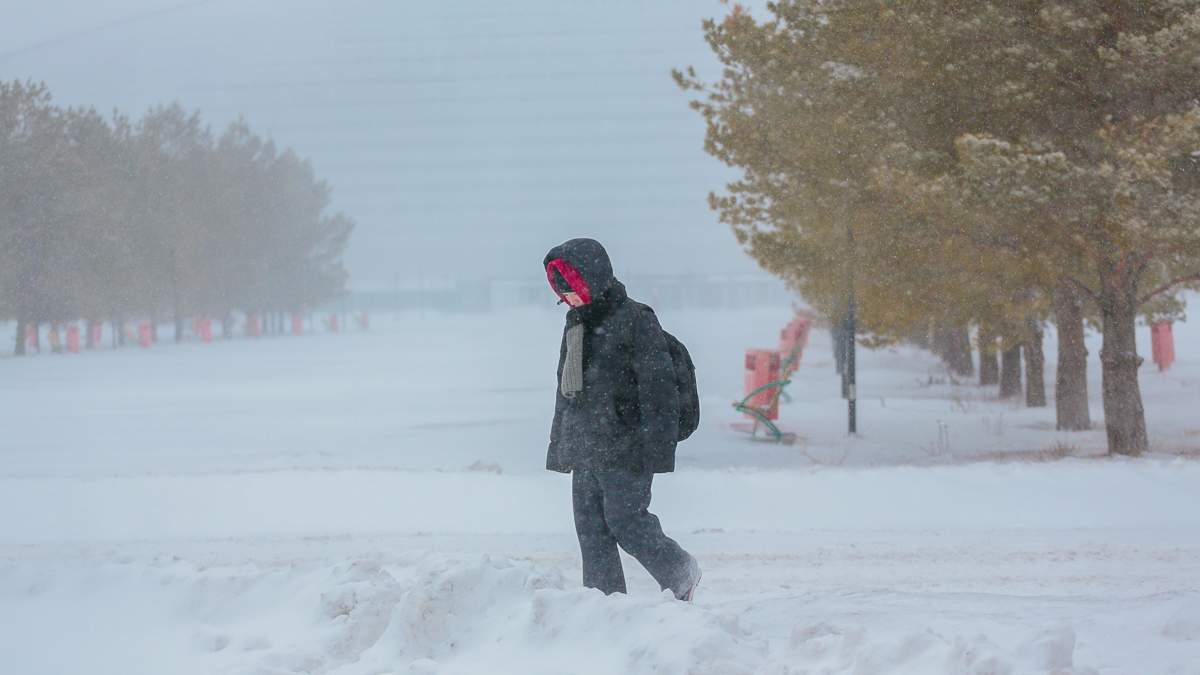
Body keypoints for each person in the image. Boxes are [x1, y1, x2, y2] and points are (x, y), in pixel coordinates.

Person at [543, 238, 701, 601]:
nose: (566, 299)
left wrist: (657, 449)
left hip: (627, 446)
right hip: (585, 446)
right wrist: (560, 446)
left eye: (571, 289)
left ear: (592, 280)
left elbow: (658, 390)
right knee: (590, 529)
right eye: (560, 292)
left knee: (626, 522)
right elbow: (564, 389)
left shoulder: (635, 319)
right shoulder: (575, 324)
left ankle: (679, 571)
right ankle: (604, 604)